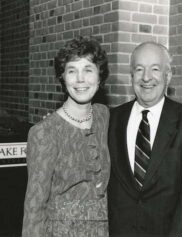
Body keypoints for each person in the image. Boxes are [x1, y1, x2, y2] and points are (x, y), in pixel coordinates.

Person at [108, 42, 182, 237]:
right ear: (131, 76)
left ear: (168, 76)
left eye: (155, 69)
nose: (146, 77)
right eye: (139, 69)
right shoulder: (113, 119)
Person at [22, 36, 110, 237]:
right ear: (63, 77)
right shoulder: (44, 132)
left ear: (100, 76)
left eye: (88, 70)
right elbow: (34, 208)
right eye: (72, 71)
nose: (80, 79)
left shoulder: (104, 115)